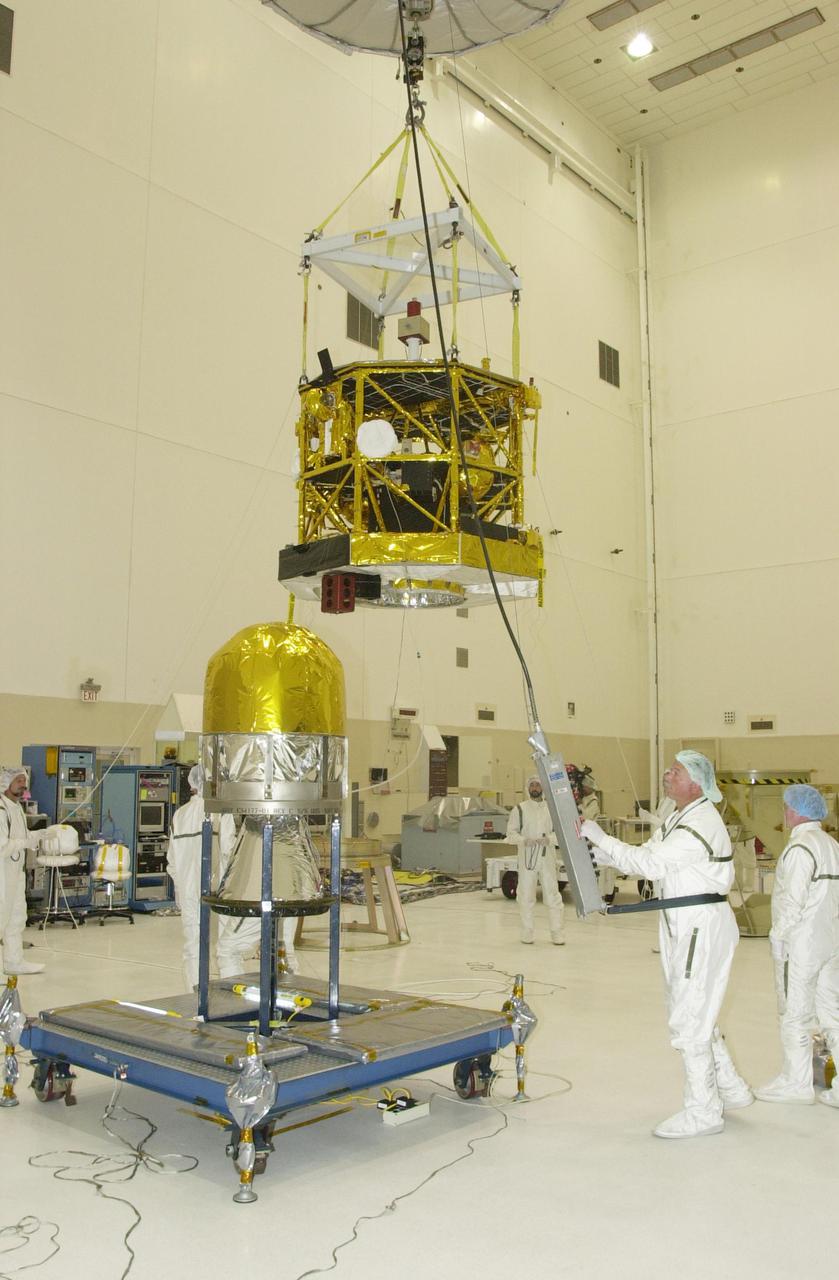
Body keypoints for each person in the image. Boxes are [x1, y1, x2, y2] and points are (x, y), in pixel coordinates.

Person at [581, 750, 752, 1138]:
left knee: (690, 1017)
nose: (666, 775)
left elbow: (652, 866)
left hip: (699, 927)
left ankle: (704, 1111)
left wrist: (601, 836)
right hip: (682, 921)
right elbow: (648, 856)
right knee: (695, 1007)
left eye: (675, 772)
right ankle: (731, 1087)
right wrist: (604, 853)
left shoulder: (701, 824)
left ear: (695, 783)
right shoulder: (679, 815)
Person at [754, 784, 839, 1108]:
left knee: (794, 1013)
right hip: (831, 939)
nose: (785, 813)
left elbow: (793, 900)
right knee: (832, 1012)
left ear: (799, 811)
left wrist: (779, 937)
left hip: (802, 943)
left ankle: (796, 1082)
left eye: (788, 807)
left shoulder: (801, 848)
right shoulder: (831, 844)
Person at [506, 775, 565, 946]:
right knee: (525, 895)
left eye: (537, 785)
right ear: (528, 788)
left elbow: (561, 834)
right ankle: (527, 933)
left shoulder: (552, 809)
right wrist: (524, 841)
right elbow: (511, 834)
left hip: (547, 858)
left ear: (543, 788)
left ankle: (557, 933)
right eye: (531, 785)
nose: (535, 788)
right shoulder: (520, 809)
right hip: (527, 859)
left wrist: (550, 839)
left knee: (552, 895)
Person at [0, 766, 45, 975]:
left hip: (15, 872)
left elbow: (22, 835)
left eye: (24, 781)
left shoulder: (17, 807)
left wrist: (39, 836)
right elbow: (3, 846)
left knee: (16, 917)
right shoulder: (1, 809)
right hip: (2, 872)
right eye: (19, 781)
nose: (23, 785)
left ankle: (14, 962)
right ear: (6, 783)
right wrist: (26, 841)